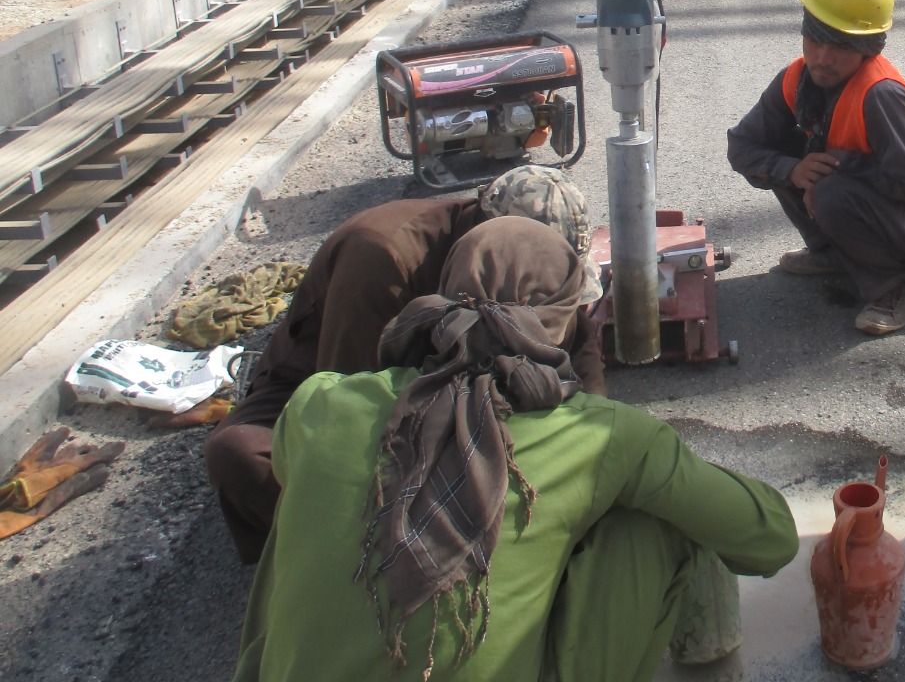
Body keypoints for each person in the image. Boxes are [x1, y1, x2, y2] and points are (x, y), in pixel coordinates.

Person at [232, 217, 798, 682]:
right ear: (564, 323)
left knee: (302, 509)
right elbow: (770, 539)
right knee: (651, 520)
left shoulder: (319, 403)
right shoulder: (601, 436)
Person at [205, 166, 607, 563]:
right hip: (346, 382)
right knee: (240, 455)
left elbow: (578, 336)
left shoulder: (530, 260)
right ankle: (337, 562)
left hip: (454, 384)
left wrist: (593, 432)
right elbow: (348, 408)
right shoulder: (383, 257)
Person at [728, 0, 905, 336]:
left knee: (828, 187)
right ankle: (832, 253)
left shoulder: (882, 96)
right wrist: (792, 170)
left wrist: (834, 166)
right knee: (788, 158)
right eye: (815, 40)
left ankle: (899, 283)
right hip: (883, 205)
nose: (823, 59)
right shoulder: (796, 78)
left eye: (840, 47)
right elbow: (743, 145)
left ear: (867, 49)